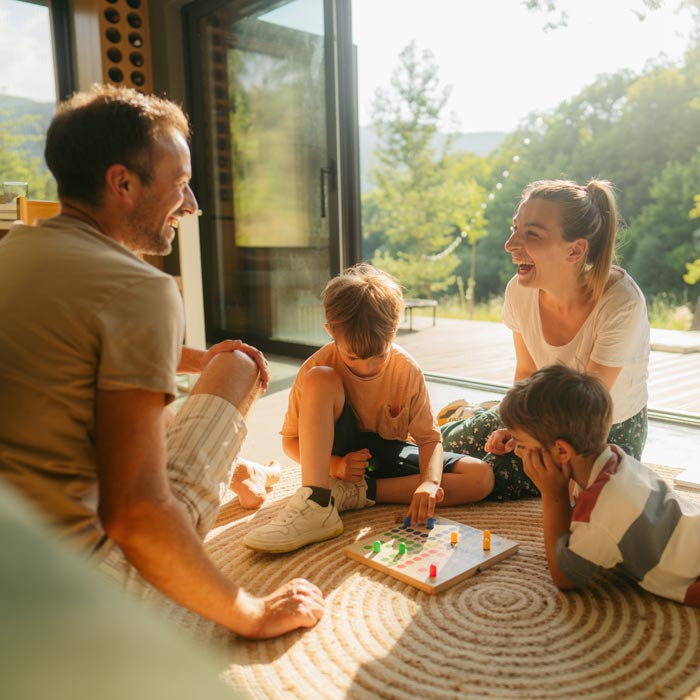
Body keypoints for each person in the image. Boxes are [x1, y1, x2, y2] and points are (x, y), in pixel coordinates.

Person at [0, 84, 323, 639]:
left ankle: (244, 475)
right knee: (241, 365)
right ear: (122, 183)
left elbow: (78, 339)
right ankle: (243, 477)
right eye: (179, 185)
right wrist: (252, 612)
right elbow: (137, 515)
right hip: (78, 586)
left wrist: (197, 358)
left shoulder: (16, 251)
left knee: (181, 392)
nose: (191, 204)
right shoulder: (139, 289)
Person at [242, 263, 494, 553]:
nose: (368, 367)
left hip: (386, 455)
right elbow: (290, 442)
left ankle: (357, 495)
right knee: (320, 380)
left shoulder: (406, 370)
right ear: (330, 332)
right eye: (353, 357)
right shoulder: (316, 368)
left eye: (378, 355)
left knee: (481, 477)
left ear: (394, 329)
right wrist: (336, 465)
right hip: (335, 457)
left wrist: (428, 482)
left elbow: (429, 439)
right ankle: (317, 501)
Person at [441, 178, 650, 500]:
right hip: (541, 412)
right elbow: (526, 373)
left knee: (488, 475)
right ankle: (473, 416)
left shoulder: (622, 302)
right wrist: (511, 425)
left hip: (597, 430)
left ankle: (476, 414)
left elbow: (585, 410)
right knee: (445, 444)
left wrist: (523, 437)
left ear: (575, 250)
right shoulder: (519, 290)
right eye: (515, 228)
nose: (510, 244)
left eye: (532, 234)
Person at [498, 364, 700, 606]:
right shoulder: (616, 458)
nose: (518, 452)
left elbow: (565, 577)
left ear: (562, 450)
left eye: (521, 444)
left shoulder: (602, 510)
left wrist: (554, 495)